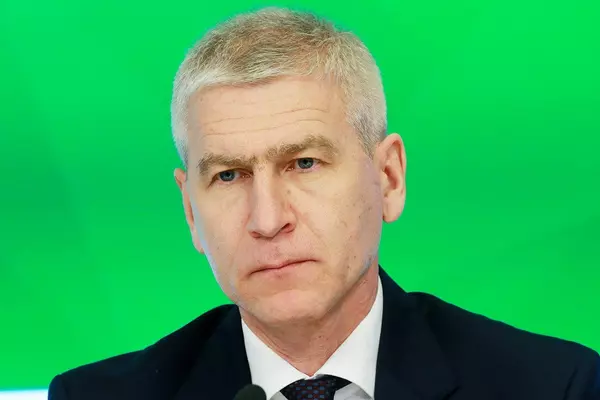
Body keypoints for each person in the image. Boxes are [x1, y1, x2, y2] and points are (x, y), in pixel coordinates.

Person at [48, 6, 599, 400]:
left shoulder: (554, 386)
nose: (267, 220)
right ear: (191, 211)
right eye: (229, 175)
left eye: (304, 163)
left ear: (388, 178)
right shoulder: (93, 396)